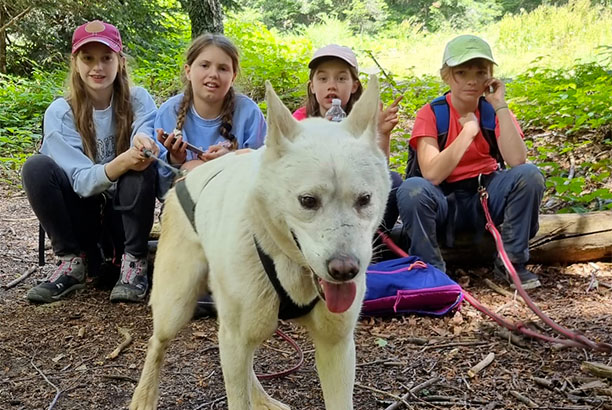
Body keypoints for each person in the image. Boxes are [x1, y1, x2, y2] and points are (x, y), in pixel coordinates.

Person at [22, 20, 159, 304]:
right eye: (88, 58)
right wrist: (121, 161)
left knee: (142, 168)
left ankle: (133, 261)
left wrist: (143, 144)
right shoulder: (61, 113)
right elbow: (82, 182)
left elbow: (145, 131)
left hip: (126, 213)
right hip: (83, 212)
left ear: (120, 61)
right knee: (36, 167)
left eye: (106, 58)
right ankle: (72, 261)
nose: (98, 68)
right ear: (76, 63)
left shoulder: (139, 100)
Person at [395, 34, 545, 289]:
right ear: (446, 75)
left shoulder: (494, 110)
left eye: (480, 72)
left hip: (485, 194)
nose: (472, 80)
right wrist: (467, 133)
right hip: (443, 200)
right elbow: (431, 174)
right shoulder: (431, 113)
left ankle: (512, 263)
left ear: (491, 76)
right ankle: (431, 271)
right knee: (412, 190)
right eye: (461, 72)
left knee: (530, 175)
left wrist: (500, 106)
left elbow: (518, 160)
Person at [293, 44, 403, 232]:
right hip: (318, 203)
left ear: (354, 86)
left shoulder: (361, 120)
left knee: (394, 181)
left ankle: (374, 245)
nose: (332, 85)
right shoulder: (300, 121)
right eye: (323, 78)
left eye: (341, 78)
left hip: (354, 200)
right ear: (312, 86)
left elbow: (378, 170)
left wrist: (382, 133)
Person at [154, 33, 267, 197]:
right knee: (192, 167)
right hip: (184, 209)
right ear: (188, 71)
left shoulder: (249, 113)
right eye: (205, 65)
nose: (213, 74)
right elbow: (160, 188)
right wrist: (175, 159)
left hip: (237, 202)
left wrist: (231, 160)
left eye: (223, 68)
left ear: (233, 76)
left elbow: (264, 169)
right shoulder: (170, 111)